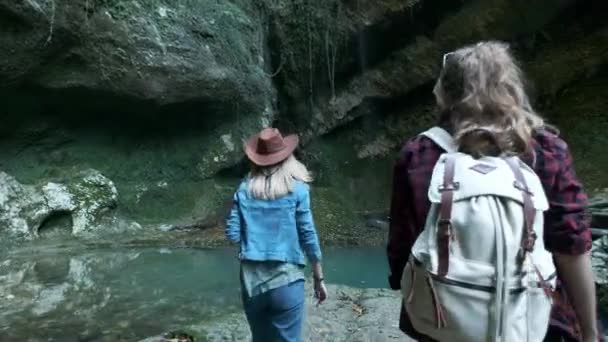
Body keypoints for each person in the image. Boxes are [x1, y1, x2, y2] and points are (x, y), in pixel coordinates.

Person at [387, 41, 600, 342]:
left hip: (445, 323)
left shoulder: (420, 156)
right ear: (511, 88)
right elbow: (572, 249)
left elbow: (402, 252)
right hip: (535, 325)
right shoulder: (546, 151)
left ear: (444, 93)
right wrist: (591, 331)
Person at [226, 127, 328, 342]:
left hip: (252, 284)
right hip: (287, 282)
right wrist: (318, 278)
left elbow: (232, 234)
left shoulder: (244, 190)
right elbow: (308, 234)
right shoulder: (298, 190)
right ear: (286, 157)